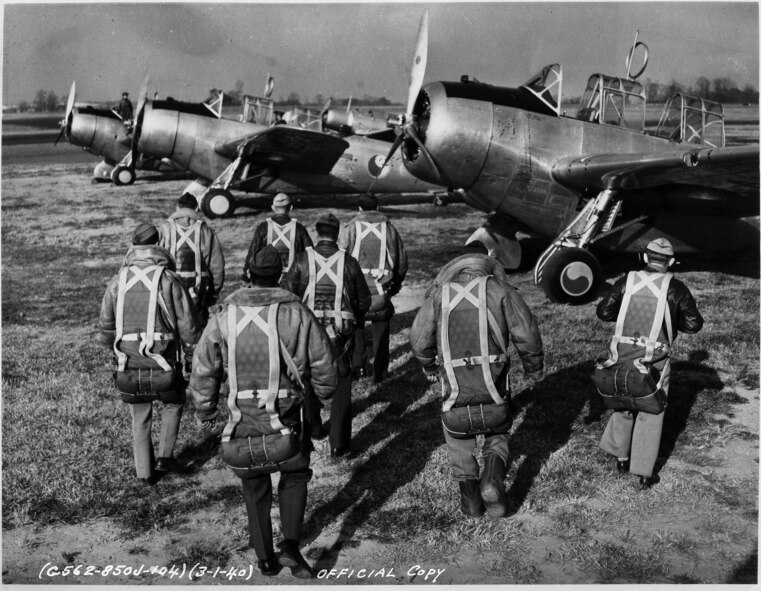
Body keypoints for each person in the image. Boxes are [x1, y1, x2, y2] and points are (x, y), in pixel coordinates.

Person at [190, 246, 338, 578]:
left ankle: (264, 558)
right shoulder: (296, 312)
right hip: (286, 416)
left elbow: (204, 368)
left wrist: (205, 411)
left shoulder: (222, 316)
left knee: (254, 482)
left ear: (248, 274)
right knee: (295, 472)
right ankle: (290, 543)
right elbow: (325, 363)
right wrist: (323, 397)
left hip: (240, 418)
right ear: (280, 274)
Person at [409, 242, 544, 518]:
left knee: (458, 439)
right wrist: (534, 370)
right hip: (494, 391)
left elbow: (418, 340)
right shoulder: (500, 290)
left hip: (455, 396)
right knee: (498, 432)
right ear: (487, 261)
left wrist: (429, 366)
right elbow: (526, 333)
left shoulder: (439, 295)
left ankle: (470, 501)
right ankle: (492, 481)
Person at [596, 237, 703, 488]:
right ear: (672, 262)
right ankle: (644, 472)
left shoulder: (627, 281)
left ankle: (621, 457)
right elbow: (693, 325)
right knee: (651, 409)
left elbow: (604, 313)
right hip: (654, 359)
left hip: (621, 355)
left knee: (623, 400)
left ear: (644, 257)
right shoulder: (676, 288)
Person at [99, 223, 201, 483]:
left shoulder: (117, 280)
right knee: (175, 401)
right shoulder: (168, 279)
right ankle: (166, 457)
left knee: (139, 412)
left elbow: (107, 325)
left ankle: (144, 472)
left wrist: (115, 350)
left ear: (133, 244)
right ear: (159, 244)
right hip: (164, 364)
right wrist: (190, 355)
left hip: (129, 364)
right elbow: (187, 325)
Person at [283, 214, 371, 457]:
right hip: (340, 333)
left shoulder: (301, 261)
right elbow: (364, 300)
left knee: (308, 375)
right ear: (337, 233)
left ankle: (312, 426)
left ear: (317, 231)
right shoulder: (349, 263)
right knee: (343, 382)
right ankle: (339, 444)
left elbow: (289, 296)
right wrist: (355, 320)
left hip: (308, 331)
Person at [339, 193, 407, 383]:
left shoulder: (350, 228)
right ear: (377, 207)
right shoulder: (390, 229)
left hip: (355, 293)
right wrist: (395, 286)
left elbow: (340, 258)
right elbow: (401, 263)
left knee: (356, 330)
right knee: (381, 332)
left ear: (359, 208)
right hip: (381, 292)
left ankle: (358, 367)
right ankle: (380, 373)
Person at [158, 193, 226, 326]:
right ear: (196, 209)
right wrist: (212, 296)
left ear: (177, 207)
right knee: (196, 332)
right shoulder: (206, 231)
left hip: (167, 293)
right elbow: (217, 267)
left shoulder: (163, 230)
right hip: (197, 295)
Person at [243, 193, 313, 284]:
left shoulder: (263, 228)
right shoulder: (300, 229)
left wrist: (245, 276)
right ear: (291, 208)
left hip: (268, 280)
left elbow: (253, 253)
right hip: (293, 280)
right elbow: (310, 255)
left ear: (273, 207)